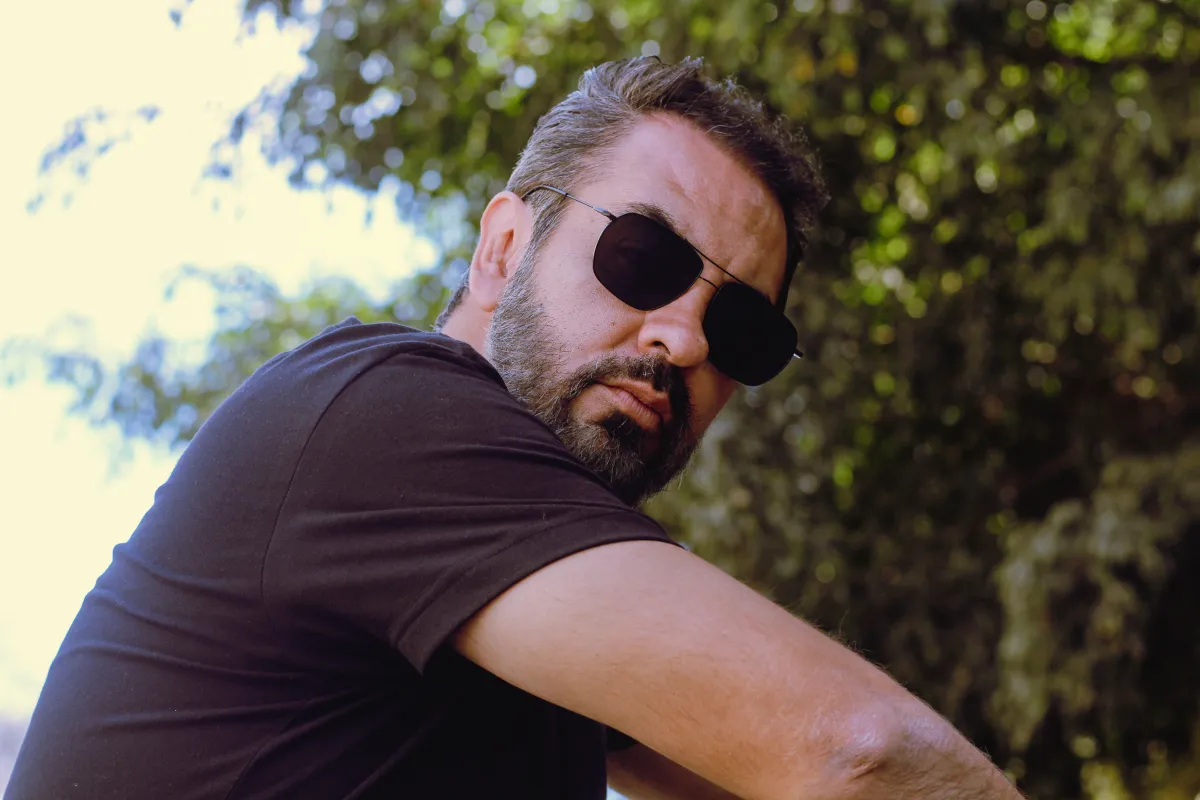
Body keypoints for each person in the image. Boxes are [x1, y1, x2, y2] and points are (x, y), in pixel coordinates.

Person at [7, 57, 1021, 800]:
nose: (682, 338)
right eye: (644, 257)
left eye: (741, 330)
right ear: (502, 247)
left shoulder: (530, 621)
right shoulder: (390, 417)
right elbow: (856, 750)